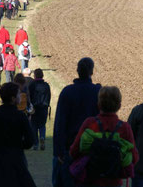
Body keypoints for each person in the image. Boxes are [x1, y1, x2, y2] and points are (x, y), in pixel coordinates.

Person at [70, 86, 139, 186]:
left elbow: (74, 152)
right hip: (114, 182)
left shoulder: (89, 123)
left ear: (99, 104)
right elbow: (134, 158)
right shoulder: (124, 128)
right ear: (119, 106)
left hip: (90, 181)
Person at [53, 57, 101, 187]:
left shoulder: (67, 92)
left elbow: (60, 123)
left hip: (70, 148)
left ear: (77, 71)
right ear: (92, 72)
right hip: (93, 150)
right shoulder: (97, 92)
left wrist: (59, 151)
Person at [28, 68, 51, 150]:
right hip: (44, 108)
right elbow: (49, 97)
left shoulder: (32, 85)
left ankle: (35, 144)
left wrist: (29, 107)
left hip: (34, 108)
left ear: (34, 76)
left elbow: (29, 97)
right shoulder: (46, 85)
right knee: (42, 125)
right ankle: (42, 137)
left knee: (33, 126)